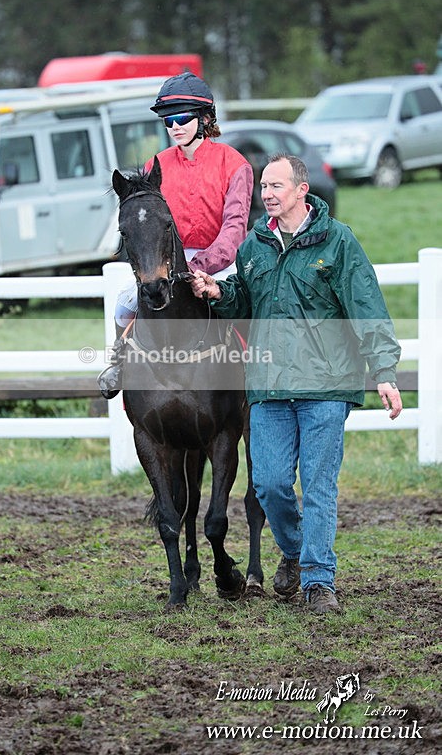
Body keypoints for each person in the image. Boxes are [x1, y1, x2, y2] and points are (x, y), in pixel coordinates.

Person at [191, 153, 403, 614]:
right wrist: (219, 292)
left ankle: (318, 582)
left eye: (276, 186)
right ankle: (295, 549)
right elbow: (244, 302)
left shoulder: (338, 241)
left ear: (302, 190)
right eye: (263, 186)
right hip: (268, 386)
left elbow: (367, 307)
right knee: (268, 485)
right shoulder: (255, 245)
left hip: (326, 386)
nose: (266, 194)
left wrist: (384, 373)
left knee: (319, 486)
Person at [97, 71, 253, 398]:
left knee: (246, 305)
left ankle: (257, 374)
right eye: (168, 121)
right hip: (167, 263)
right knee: (124, 302)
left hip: (222, 263)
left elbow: (234, 229)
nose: (175, 127)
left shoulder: (235, 164)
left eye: (182, 118)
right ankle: (119, 363)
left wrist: (200, 266)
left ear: (205, 119)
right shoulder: (155, 165)